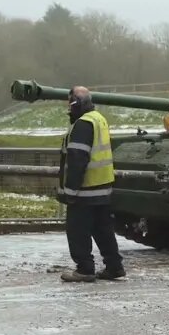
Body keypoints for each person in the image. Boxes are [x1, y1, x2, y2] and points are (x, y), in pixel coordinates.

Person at [58, 86, 126, 282]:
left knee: (77, 230)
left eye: (70, 105)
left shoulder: (83, 124)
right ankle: (114, 266)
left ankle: (85, 269)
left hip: (84, 191)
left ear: (76, 104)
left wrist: (70, 191)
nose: (68, 109)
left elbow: (77, 159)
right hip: (102, 188)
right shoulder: (99, 119)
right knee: (103, 230)